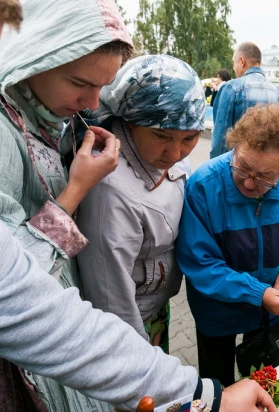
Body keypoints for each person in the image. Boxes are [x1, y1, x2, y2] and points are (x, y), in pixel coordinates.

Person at [0, 1, 275, 411]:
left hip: (80, 339)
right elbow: (6, 290)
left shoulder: (47, 116)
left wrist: (195, 392)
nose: (94, 101)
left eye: (103, 86)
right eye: (80, 82)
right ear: (35, 55)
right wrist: (75, 191)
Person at [76, 55, 206, 353]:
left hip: (154, 307)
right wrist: (138, 362)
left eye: (190, 138)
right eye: (161, 135)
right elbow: (111, 298)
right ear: (129, 123)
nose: (175, 152)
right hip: (129, 325)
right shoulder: (110, 190)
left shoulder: (165, 153)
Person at [178, 104, 279, 387]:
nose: (249, 184)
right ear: (235, 145)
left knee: (267, 382)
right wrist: (257, 292)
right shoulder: (204, 185)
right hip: (217, 312)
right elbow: (200, 263)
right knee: (218, 386)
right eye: (242, 166)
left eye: (264, 177)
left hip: (267, 309)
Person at [209, 42, 279, 158]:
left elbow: (221, 137)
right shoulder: (275, 90)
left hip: (238, 164)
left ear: (242, 61)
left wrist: (216, 169)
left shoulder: (232, 88)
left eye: (234, 63)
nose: (233, 68)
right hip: (265, 165)